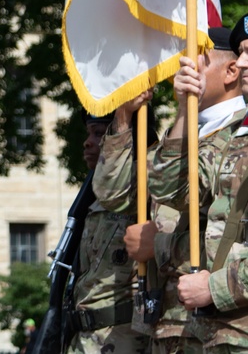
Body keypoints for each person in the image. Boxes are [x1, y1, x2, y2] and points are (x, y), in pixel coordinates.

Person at [102, 27, 244, 354]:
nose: (182, 67)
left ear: (230, 71)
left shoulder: (238, 135)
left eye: (197, 59)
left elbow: (223, 232)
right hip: (172, 323)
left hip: (220, 322)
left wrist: (161, 245)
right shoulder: (186, 132)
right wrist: (130, 116)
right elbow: (132, 191)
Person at [149, 14, 248, 351]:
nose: (243, 61)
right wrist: (182, 109)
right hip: (213, 334)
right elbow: (168, 191)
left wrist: (216, 287)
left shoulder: (235, 132)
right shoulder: (239, 139)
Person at [68, 102, 151, 354]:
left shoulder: (142, 185)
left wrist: (123, 117)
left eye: (99, 133)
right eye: (88, 133)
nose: (88, 142)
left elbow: (117, 190)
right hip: (84, 336)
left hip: (122, 338)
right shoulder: (90, 197)